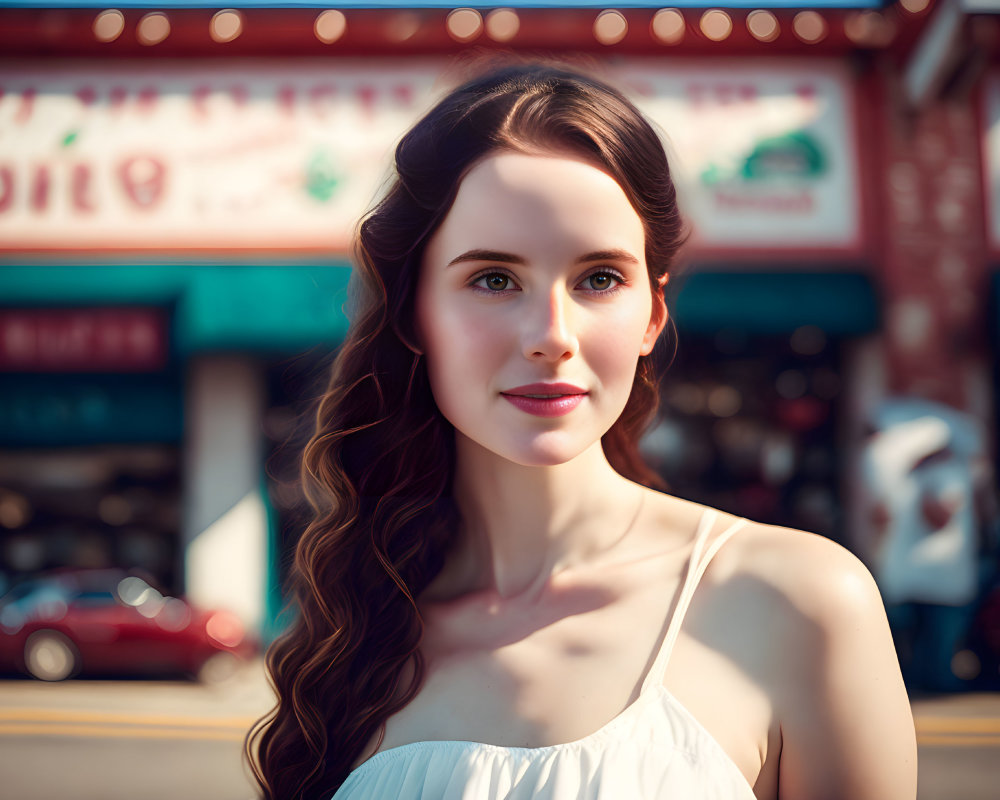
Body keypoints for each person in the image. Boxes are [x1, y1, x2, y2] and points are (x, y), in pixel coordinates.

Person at [246, 61, 917, 800]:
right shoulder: (360, 633)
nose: (551, 336)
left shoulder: (801, 600)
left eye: (599, 278)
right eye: (495, 279)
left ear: (652, 316)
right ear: (413, 314)